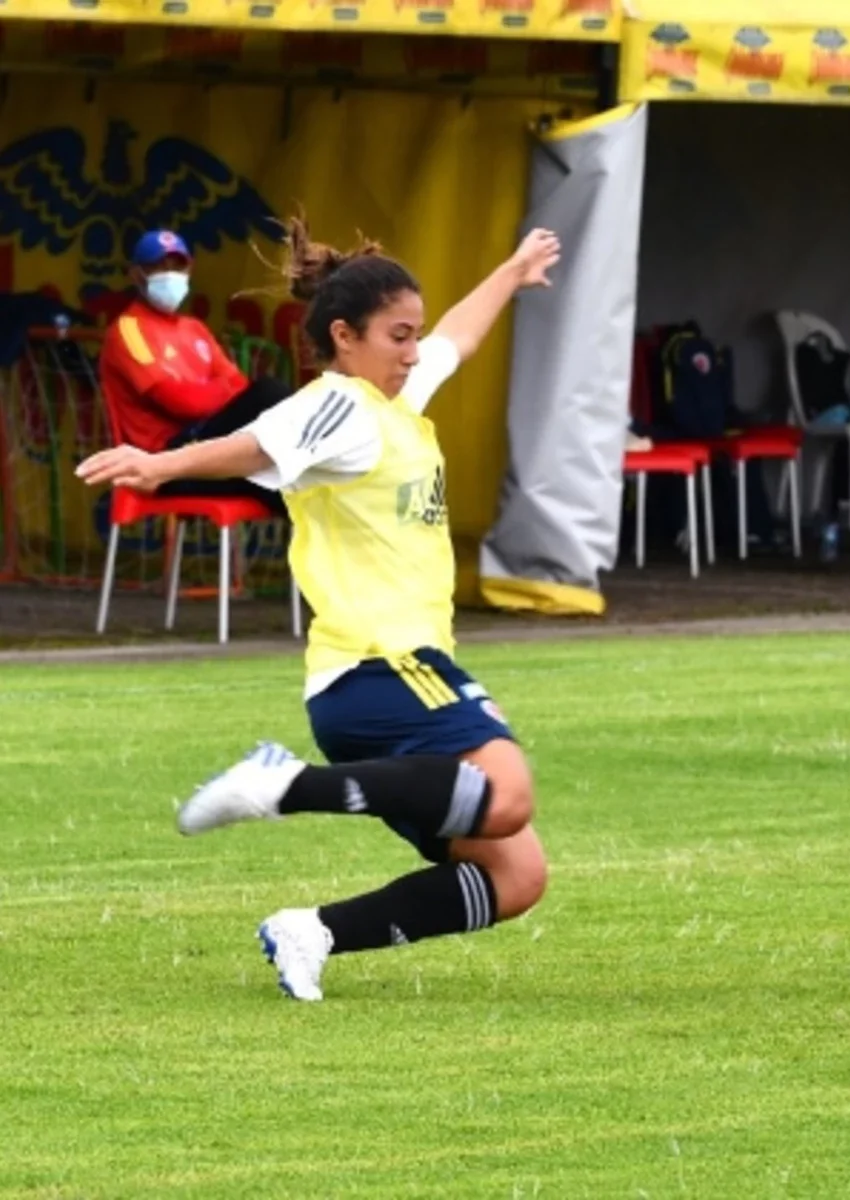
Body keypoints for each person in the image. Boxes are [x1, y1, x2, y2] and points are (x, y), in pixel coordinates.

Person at [77, 218, 562, 1002]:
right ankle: (283, 784)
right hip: (380, 660)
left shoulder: (394, 396)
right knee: (507, 793)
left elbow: (455, 342)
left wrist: (510, 271)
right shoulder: (338, 405)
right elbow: (257, 442)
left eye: (414, 335)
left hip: (391, 670)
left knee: (516, 874)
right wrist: (159, 465)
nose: (414, 350)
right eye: (398, 336)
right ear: (345, 336)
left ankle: (313, 932)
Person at [98, 229, 296, 512]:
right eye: (158, 266)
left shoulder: (194, 329)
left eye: (177, 265)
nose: (170, 273)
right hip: (165, 465)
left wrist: (213, 393)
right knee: (268, 392)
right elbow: (181, 402)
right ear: (136, 274)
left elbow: (236, 385)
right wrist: (220, 390)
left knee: (300, 486)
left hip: (212, 453)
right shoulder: (129, 329)